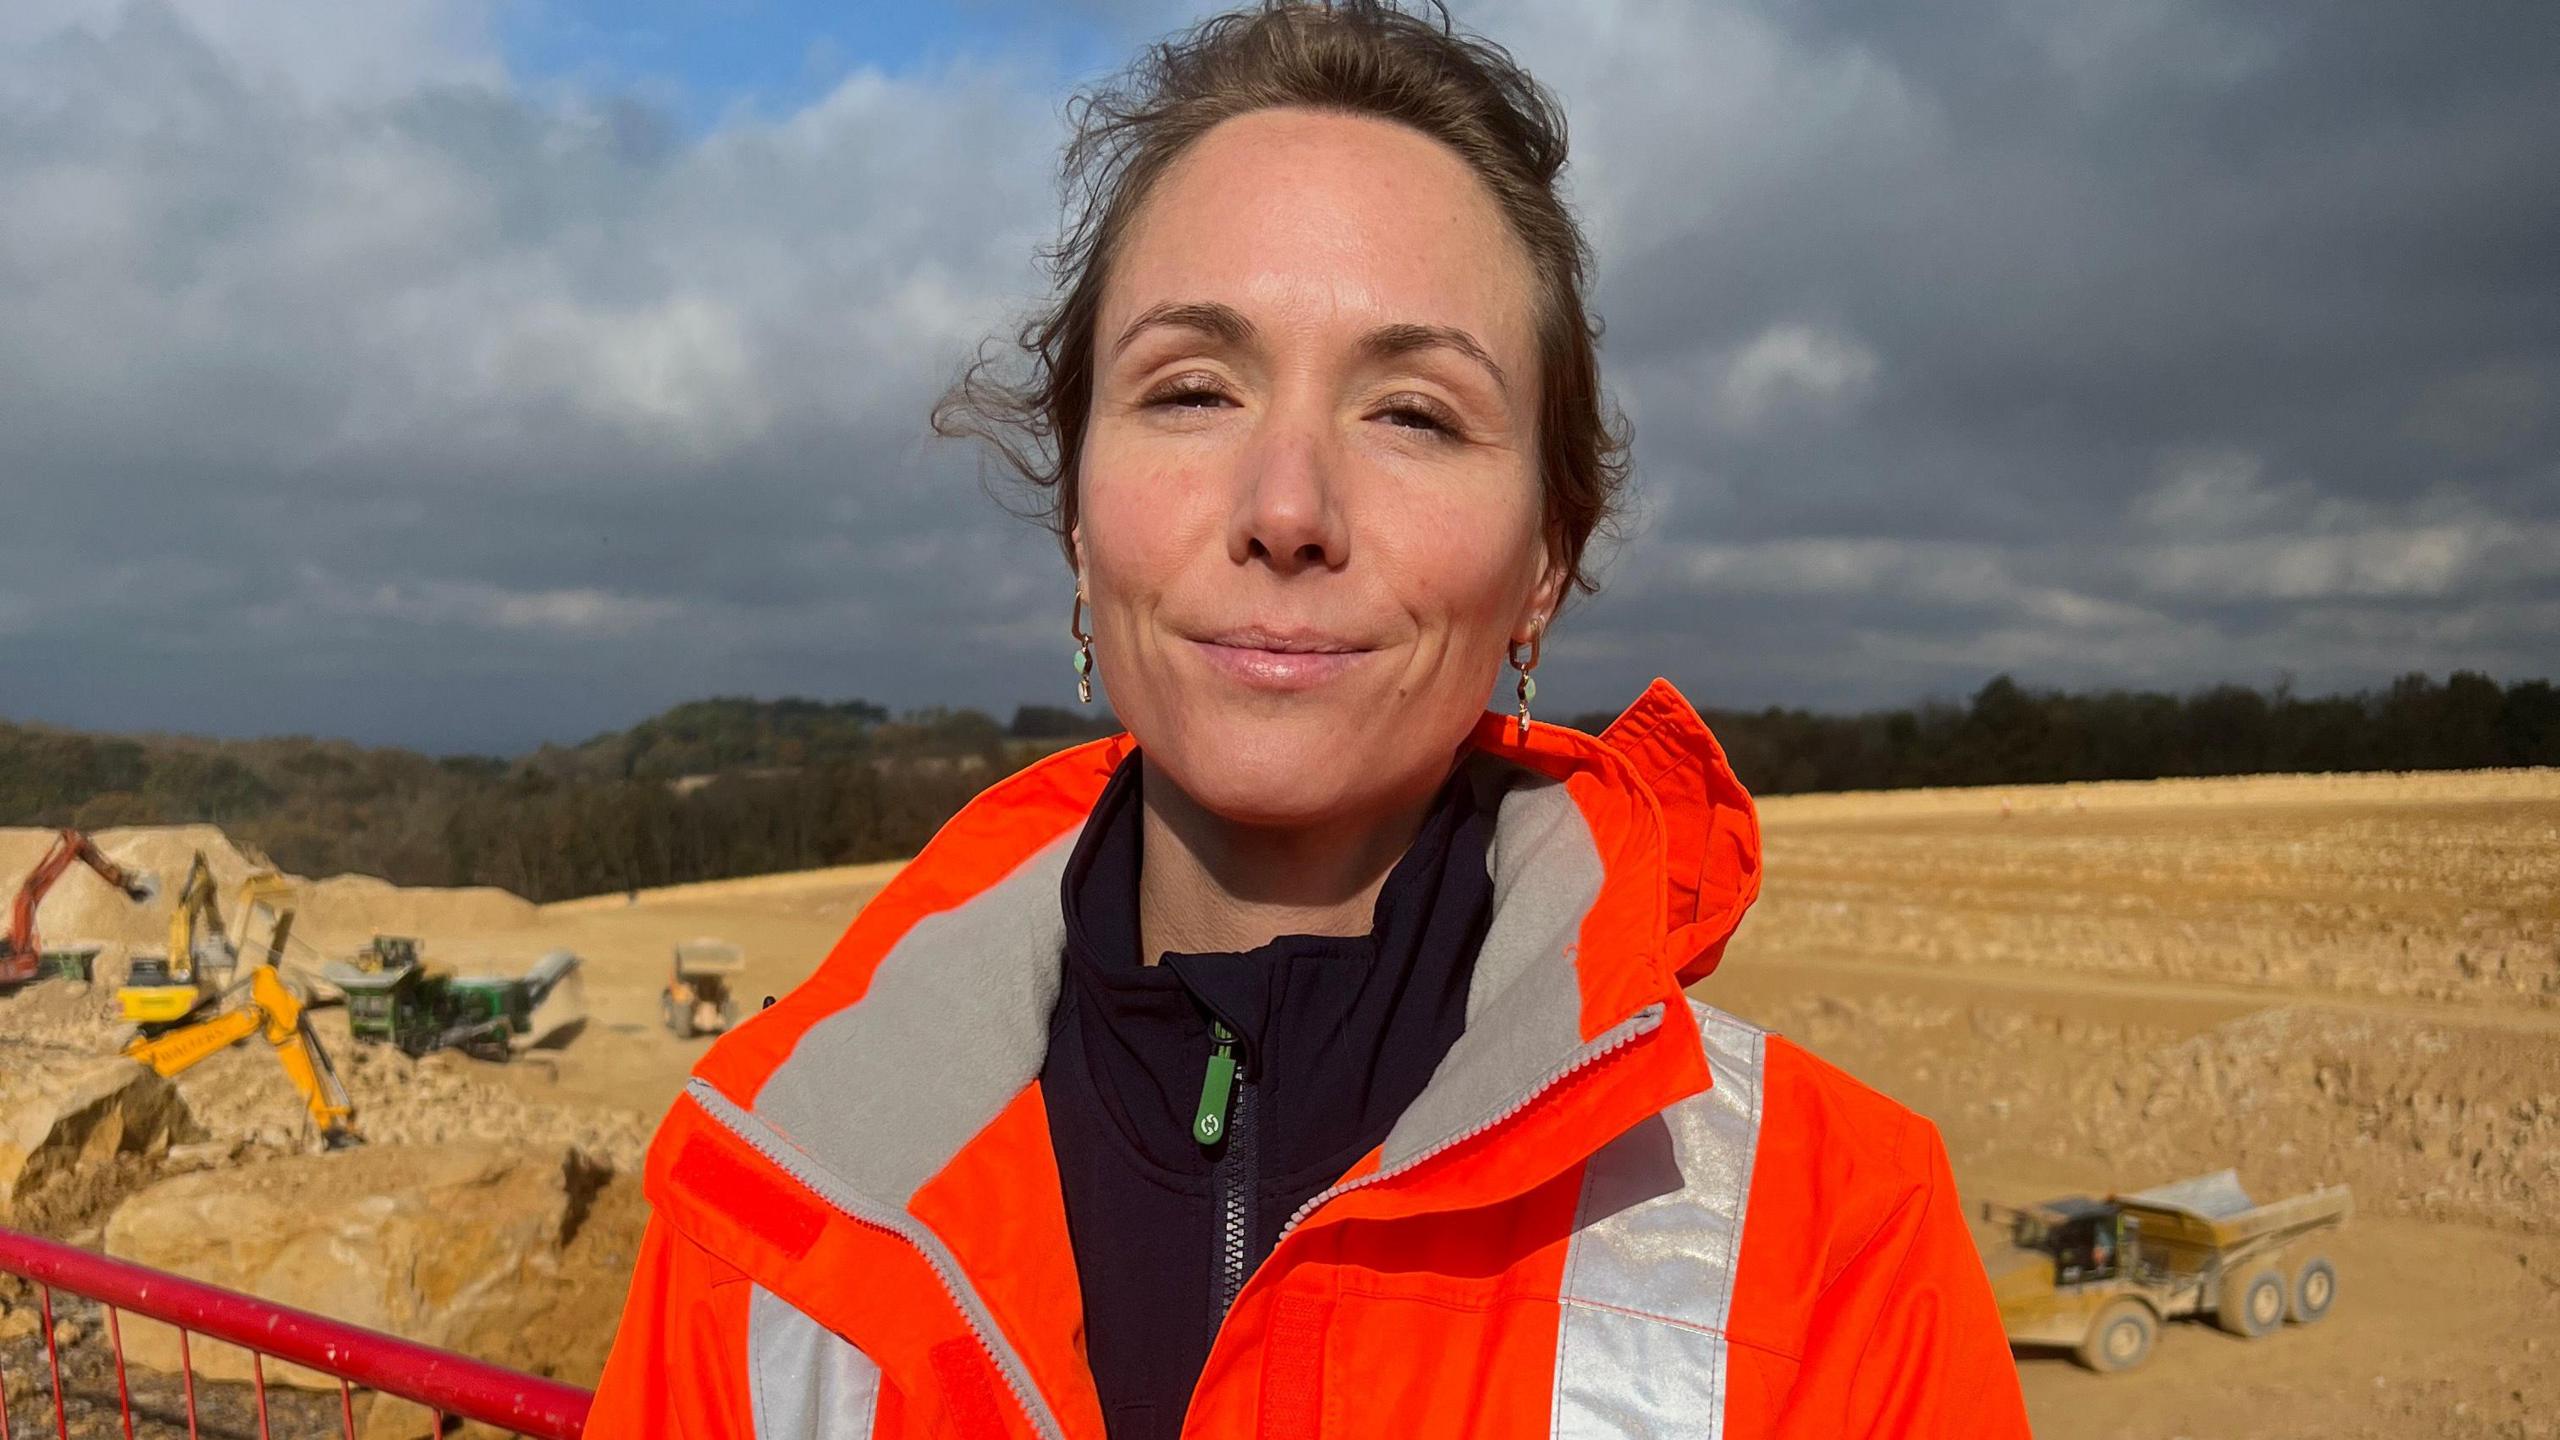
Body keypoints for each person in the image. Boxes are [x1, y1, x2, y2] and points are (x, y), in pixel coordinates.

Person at [588, 3, 2030, 1436]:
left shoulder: (1835, 1243)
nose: (1287, 511)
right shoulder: (775, 1195)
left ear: (1545, 561)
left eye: (1412, 414)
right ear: (1081, 520)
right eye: (1194, 389)